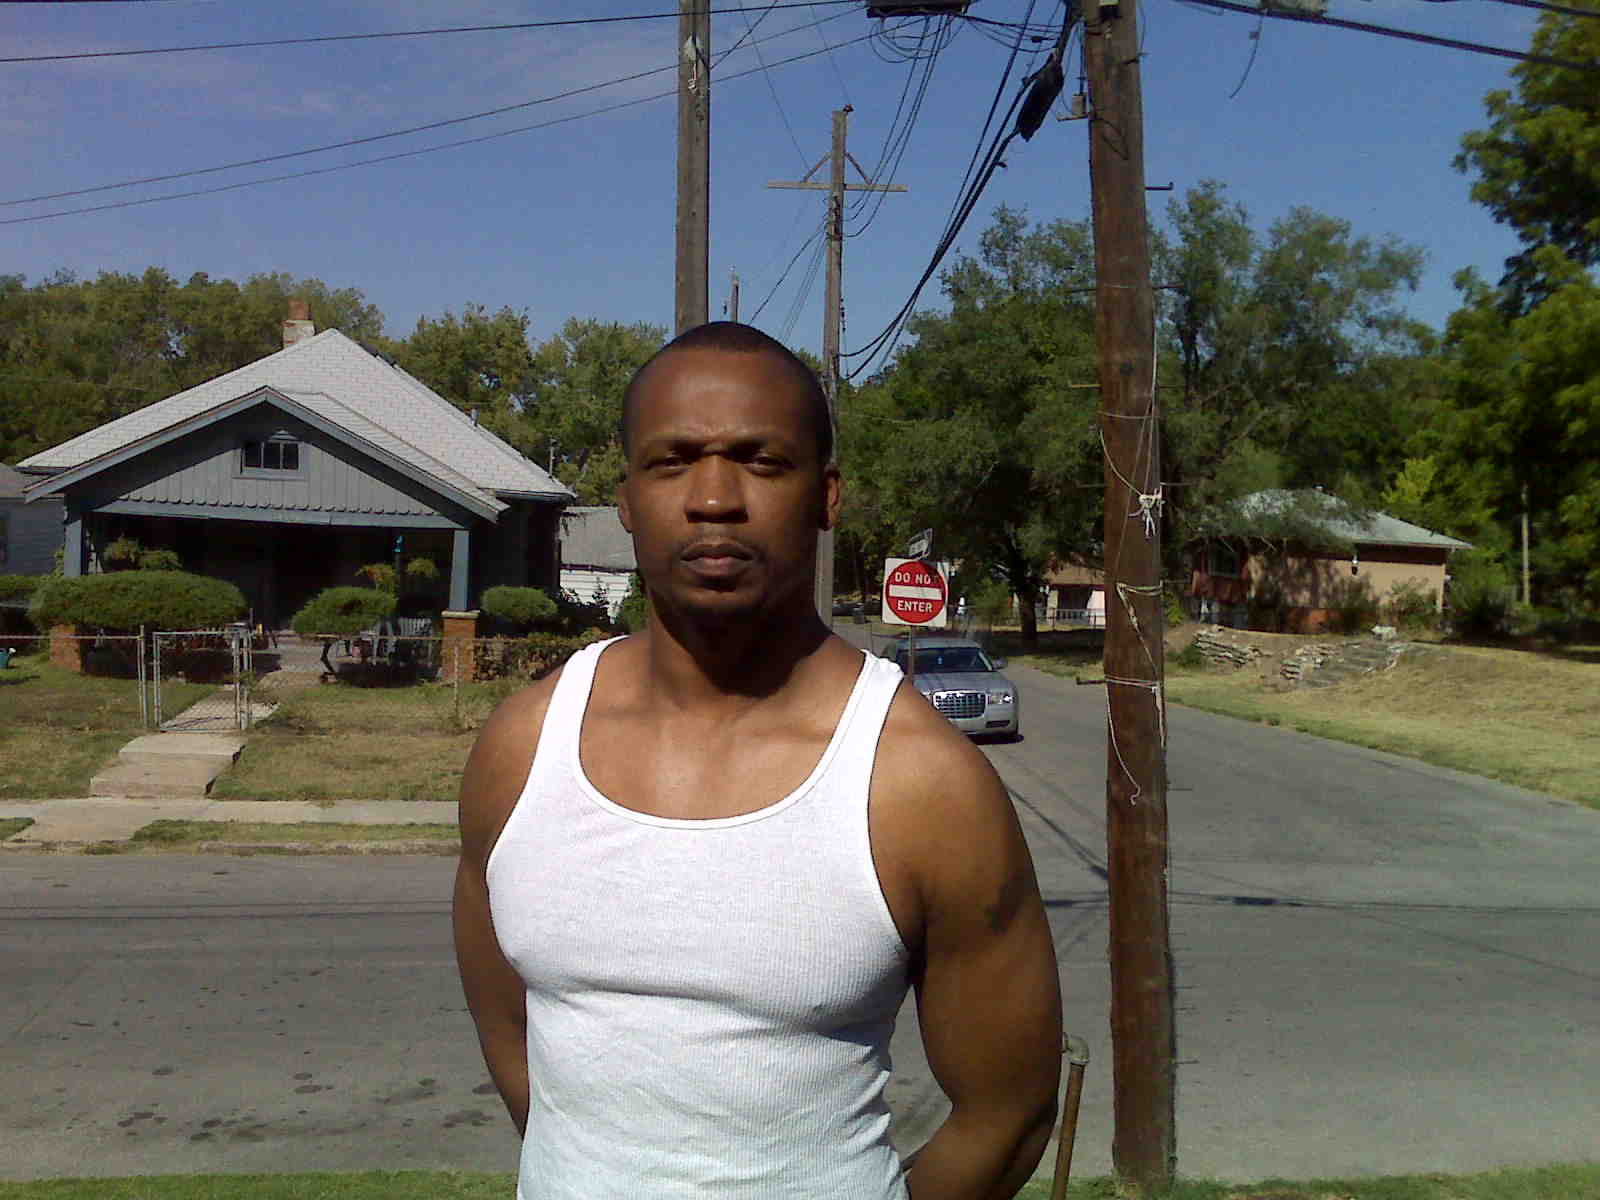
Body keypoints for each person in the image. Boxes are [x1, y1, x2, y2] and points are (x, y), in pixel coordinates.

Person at [453, 322, 1062, 1199]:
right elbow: (510, 1039)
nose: (713, 498)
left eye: (761, 461)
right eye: (672, 461)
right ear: (627, 498)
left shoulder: (920, 782)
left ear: (827, 496)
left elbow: (1008, 1116)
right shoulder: (523, 746)